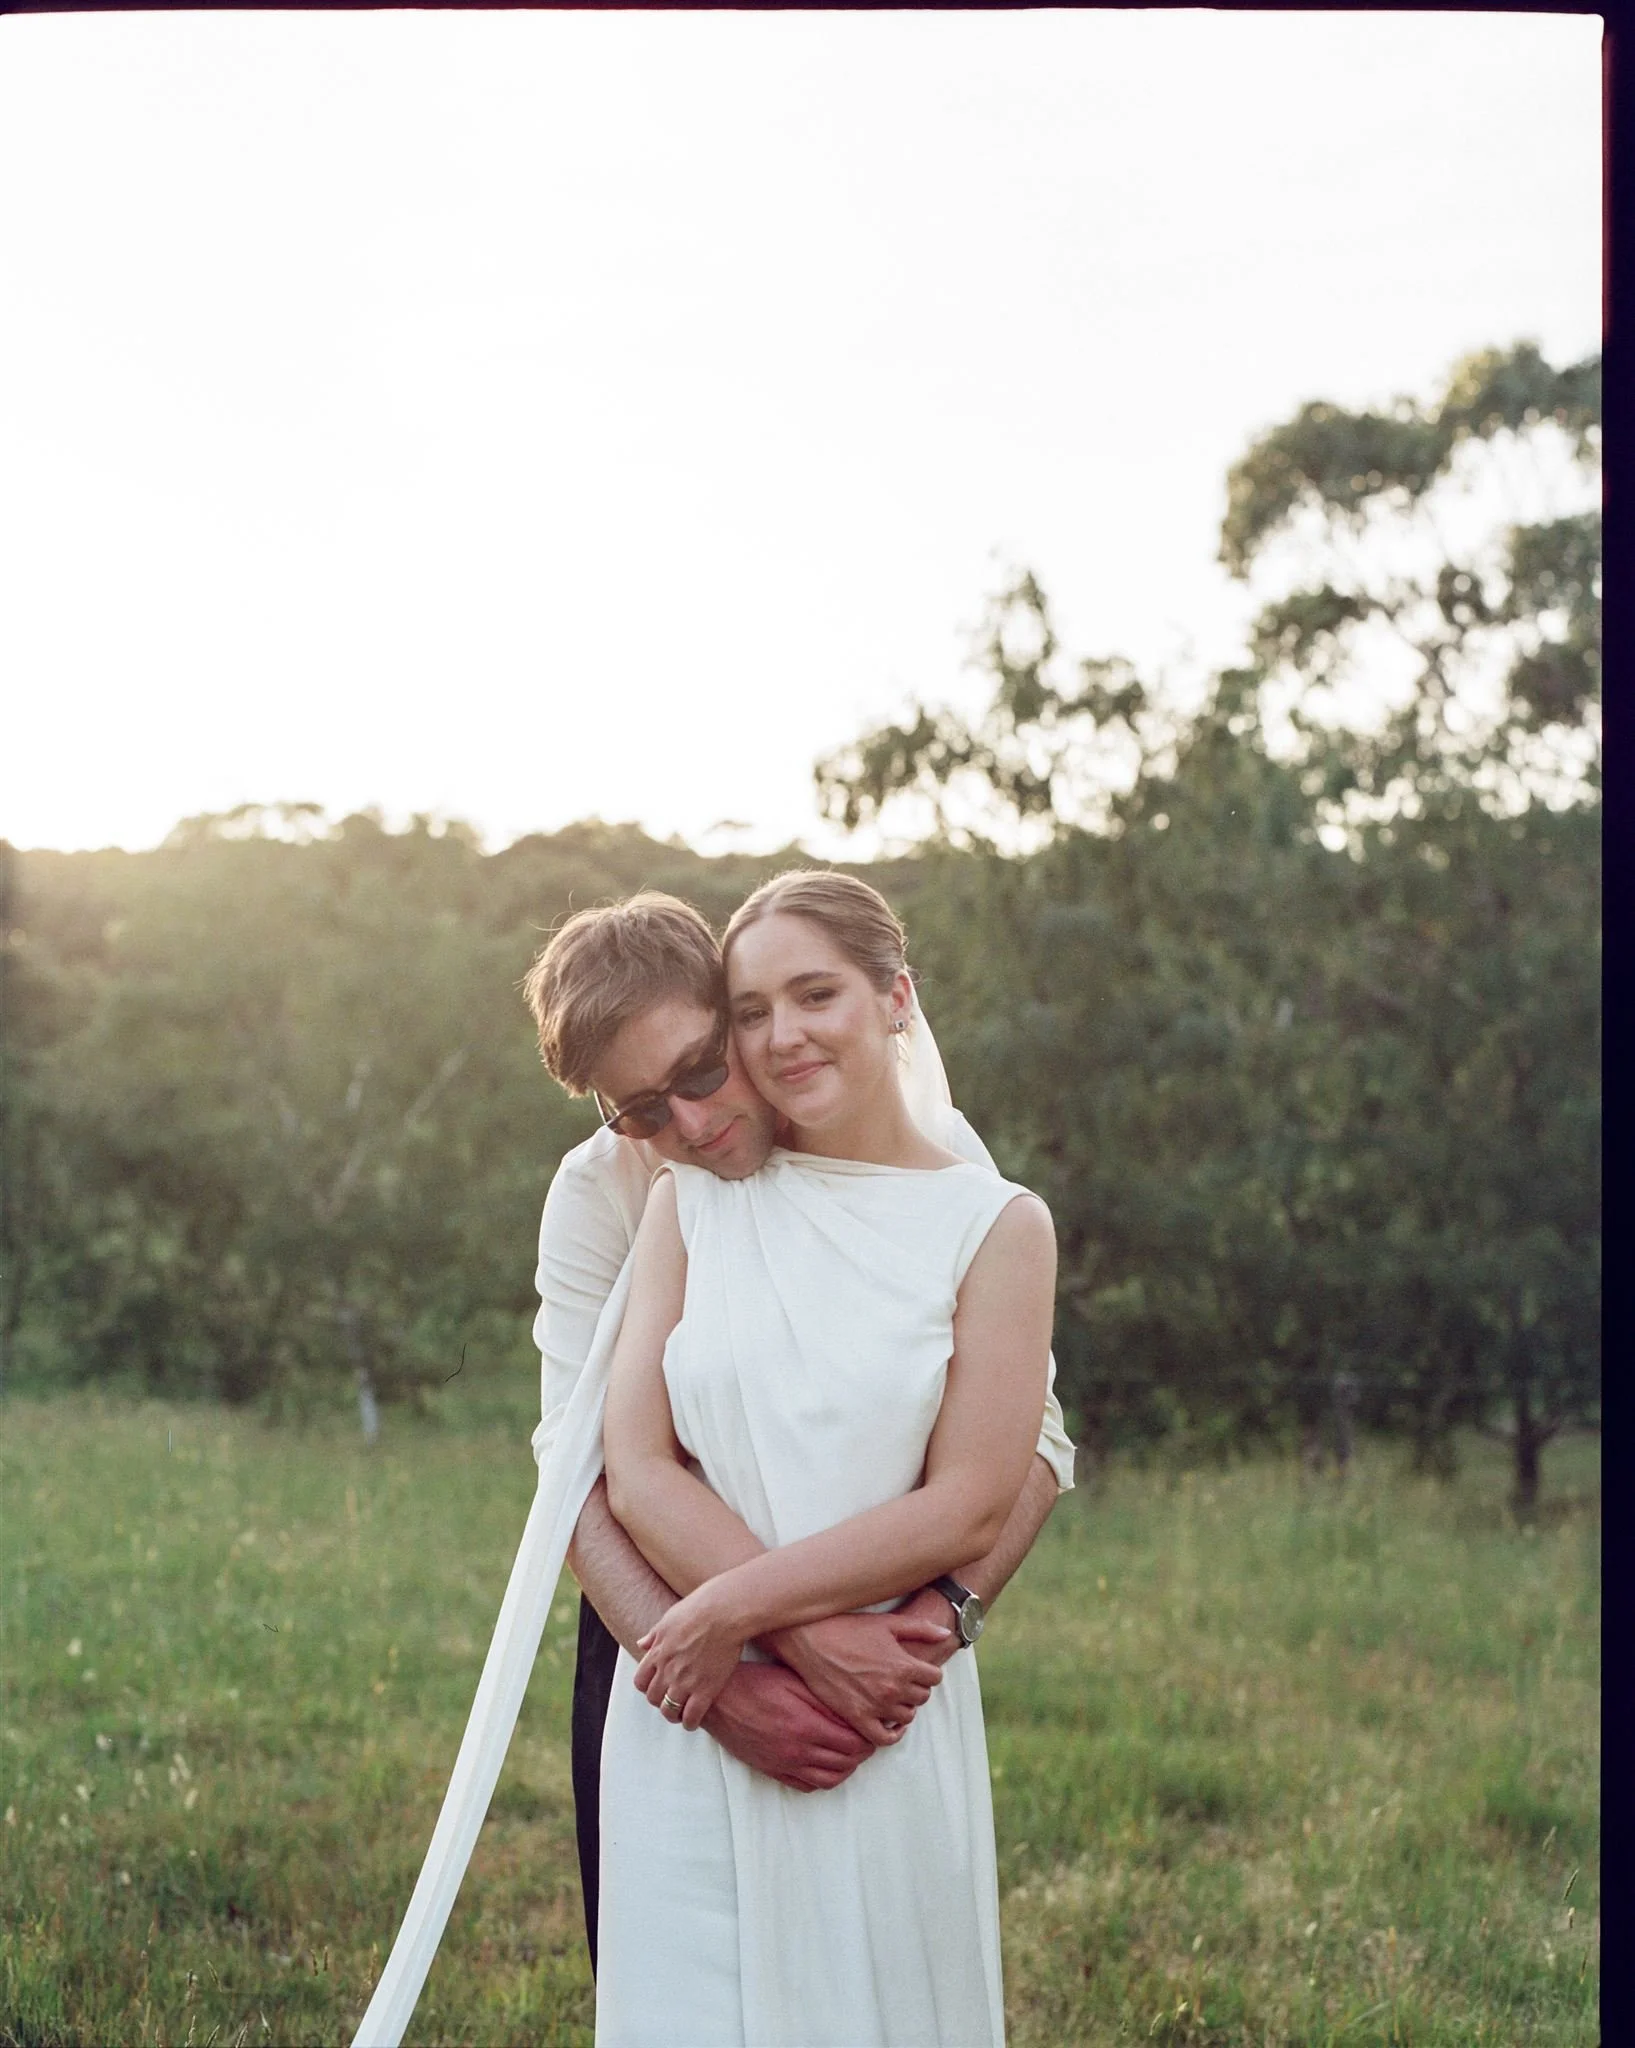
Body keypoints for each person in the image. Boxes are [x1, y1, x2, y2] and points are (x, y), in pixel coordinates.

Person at [351, 885, 1071, 2048]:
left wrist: (932, 1620)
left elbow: (1030, 1439)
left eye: (701, 1068)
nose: (687, 1121)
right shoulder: (616, 1194)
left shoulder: (937, 1166)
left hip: (890, 1643)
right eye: (640, 1107)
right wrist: (743, 1662)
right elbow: (581, 1472)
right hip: (664, 1625)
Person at [593, 871, 1058, 2046]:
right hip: (701, 1720)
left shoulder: (997, 1224)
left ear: (896, 996)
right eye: (750, 1011)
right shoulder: (692, 1197)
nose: (783, 1033)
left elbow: (969, 1500)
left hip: (881, 1717)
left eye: (817, 993)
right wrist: (758, 1643)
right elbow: (636, 1463)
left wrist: (732, 1607)